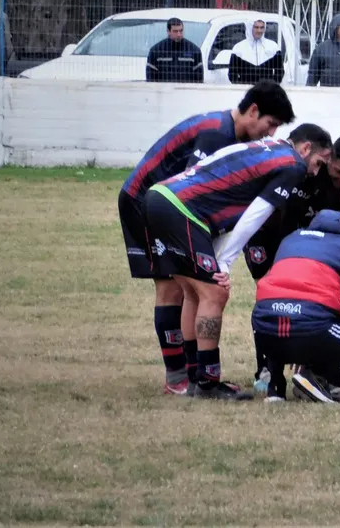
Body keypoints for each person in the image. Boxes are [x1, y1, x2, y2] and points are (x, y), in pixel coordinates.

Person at [117, 81, 295, 395]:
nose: (271, 135)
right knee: (173, 288)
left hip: (158, 202)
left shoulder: (229, 131)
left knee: (188, 287)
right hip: (143, 200)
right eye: (270, 124)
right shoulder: (217, 133)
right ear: (253, 111)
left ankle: (189, 374)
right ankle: (179, 379)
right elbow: (190, 189)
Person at [143, 132, 332, 399]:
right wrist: (225, 261)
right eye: (320, 163)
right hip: (182, 208)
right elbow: (256, 214)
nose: (315, 172)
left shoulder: (266, 147)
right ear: (306, 148)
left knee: (191, 290)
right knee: (214, 292)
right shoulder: (293, 164)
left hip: (160, 196)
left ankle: (195, 377)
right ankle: (208, 383)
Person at [244, 129, 340, 390]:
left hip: (314, 231)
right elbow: (284, 223)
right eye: (339, 173)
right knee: (272, 296)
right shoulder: (306, 169)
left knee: (332, 287)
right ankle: (266, 368)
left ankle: (317, 363)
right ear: (329, 159)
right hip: (271, 233)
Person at [251, 211, 340, 404]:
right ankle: (317, 376)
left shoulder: (290, 240)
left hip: (263, 326)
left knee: (278, 317)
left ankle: (275, 389)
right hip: (310, 325)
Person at [146, 17, 204, 83]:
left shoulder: (194, 51)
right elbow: (150, 79)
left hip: (187, 91)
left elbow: (199, 79)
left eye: (181, 31)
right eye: (175, 31)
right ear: (168, 31)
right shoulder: (156, 51)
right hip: (163, 91)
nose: (179, 34)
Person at [228, 19, 284, 84]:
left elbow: (280, 72)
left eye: (262, 27)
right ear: (250, 28)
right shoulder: (238, 48)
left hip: (267, 90)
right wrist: (241, 87)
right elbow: (232, 74)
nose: (259, 30)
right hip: (245, 90)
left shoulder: (273, 47)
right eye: (256, 27)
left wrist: (272, 86)